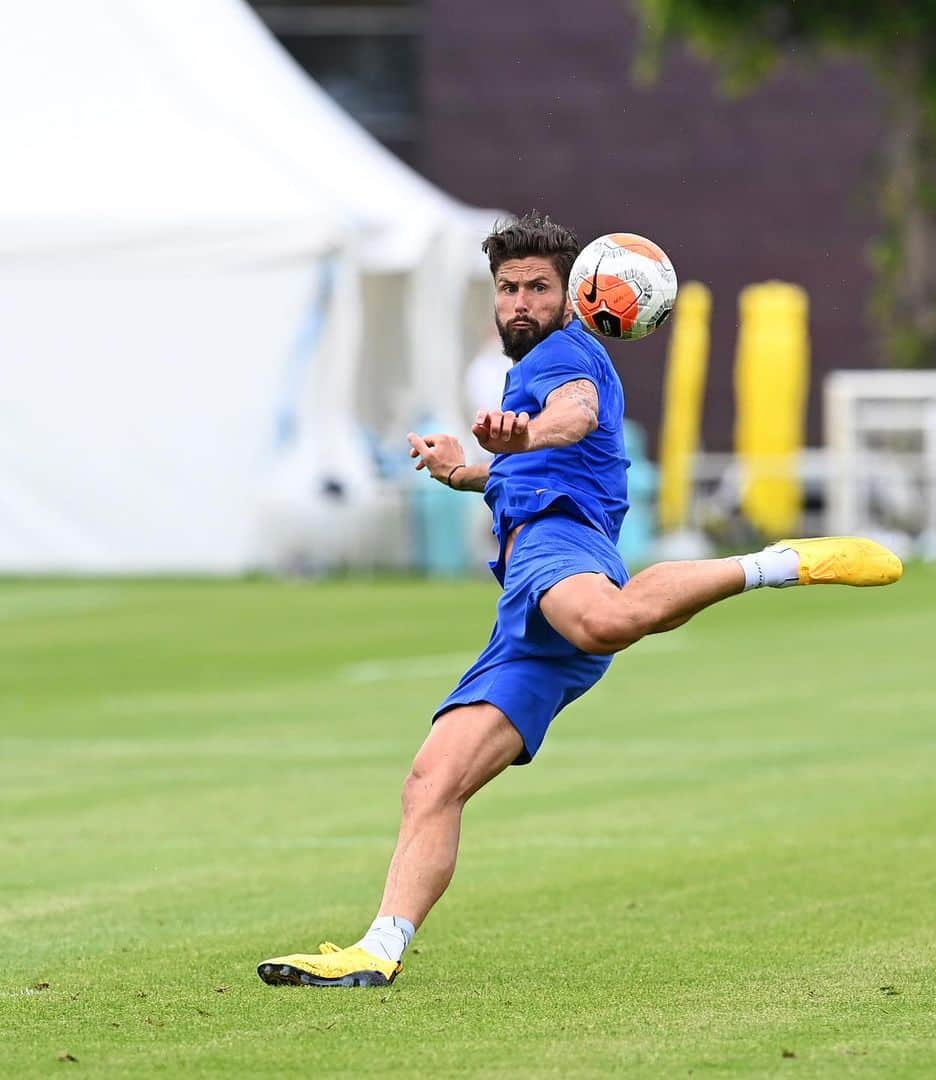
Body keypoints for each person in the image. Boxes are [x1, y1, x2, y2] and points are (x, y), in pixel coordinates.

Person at [257, 212, 902, 989]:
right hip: (523, 606)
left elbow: (575, 417)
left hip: (562, 548)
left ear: (574, 298)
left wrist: (522, 435)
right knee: (433, 781)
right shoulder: (525, 369)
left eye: (538, 287)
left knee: (605, 621)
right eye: (507, 288)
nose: (520, 302)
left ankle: (776, 564)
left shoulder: (566, 358)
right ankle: (378, 952)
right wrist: (467, 469)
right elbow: (519, 465)